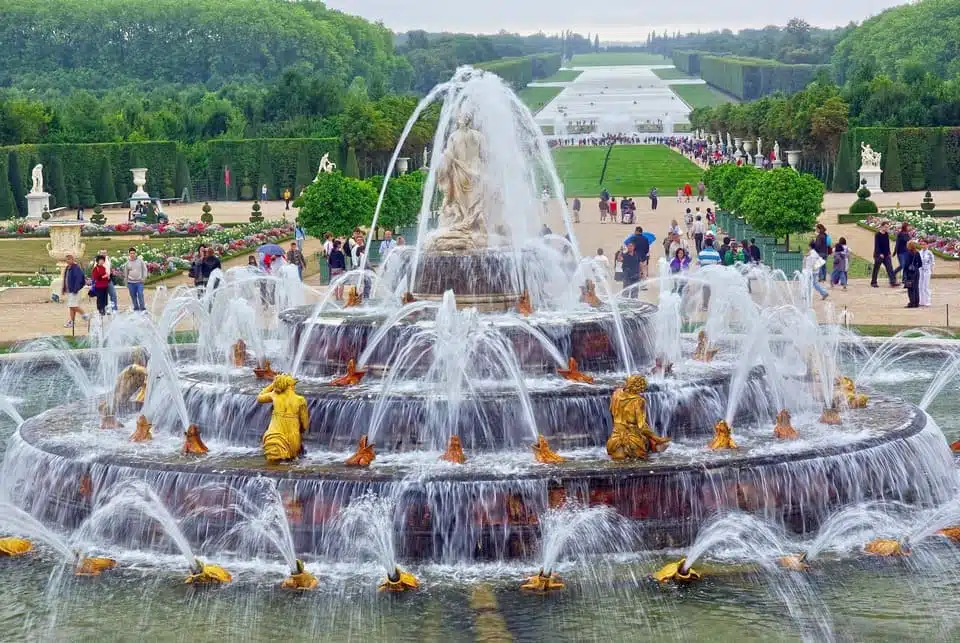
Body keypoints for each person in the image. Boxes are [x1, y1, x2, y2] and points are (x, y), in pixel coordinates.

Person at [62, 254, 89, 328]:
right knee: (71, 306)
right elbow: (65, 279)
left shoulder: (76, 268)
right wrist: (64, 288)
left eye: (69, 259)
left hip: (75, 290)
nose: (67, 261)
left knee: (72, 305)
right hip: (70, 290)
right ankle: (72, 321)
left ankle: (85, 315)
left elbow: (79, 279)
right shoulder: (68, 268)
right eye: (66, 259)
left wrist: (75, 289)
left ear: (72, 260)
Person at [871, 222, 897, 287]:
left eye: (887, 227)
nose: (886, 228)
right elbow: (877, 245)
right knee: (876, 269)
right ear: (882, 227)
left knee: (889, 268)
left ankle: (893, 281)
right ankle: (873, 282)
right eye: (885, 227)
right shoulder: (877, 234)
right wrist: (879, 253)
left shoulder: (886, 234)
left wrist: (889, 252)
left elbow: (887, 244)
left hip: (886, 255)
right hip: (878, 255)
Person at [123, 247, 148, 312]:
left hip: (139, 282)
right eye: (131, 253)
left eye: (133, 253)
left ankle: (142, 308)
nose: (132, 255)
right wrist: (126, 283)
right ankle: (136, 308)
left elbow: (145, 269)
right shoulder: (127, 263)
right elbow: (126, 273)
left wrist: (144, 278)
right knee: (133, 296)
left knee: (140, 294)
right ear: (129, 254)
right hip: (130, 283)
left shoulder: (140, 261)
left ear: (135, 254)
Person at [94, 248, 118, 312]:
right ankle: (103, 310)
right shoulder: (97, 261)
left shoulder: (108, 258)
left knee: (113, 295)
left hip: (109, 280)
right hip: (102, 282)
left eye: (105, 253)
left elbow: (110, 267)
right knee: (103, 296)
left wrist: (113, 271)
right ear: (100, 253)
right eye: (102, 253)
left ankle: (114, 309)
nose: (103, 254)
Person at [903, 241, 923, 308]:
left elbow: (906, 264)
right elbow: (920, 263)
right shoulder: (917, 253)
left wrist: (905, 271)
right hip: (917, 272)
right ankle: (917, 303)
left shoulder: (908, 253)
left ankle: (912, 303)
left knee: (910, 288)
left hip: (910, 272)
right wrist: (916, 267)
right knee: (916, 287)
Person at [919, 241, 935, 306]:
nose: (923, 246)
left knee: (926, 286)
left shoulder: (929, 253)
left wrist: (931, 269)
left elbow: (932, 262)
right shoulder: (919, 252)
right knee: (920, 286)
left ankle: (928, 300)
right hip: (920, 270)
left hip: (927, 270)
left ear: (927, 245)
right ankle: (921, 301)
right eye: (922, 244)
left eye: (924, 244)